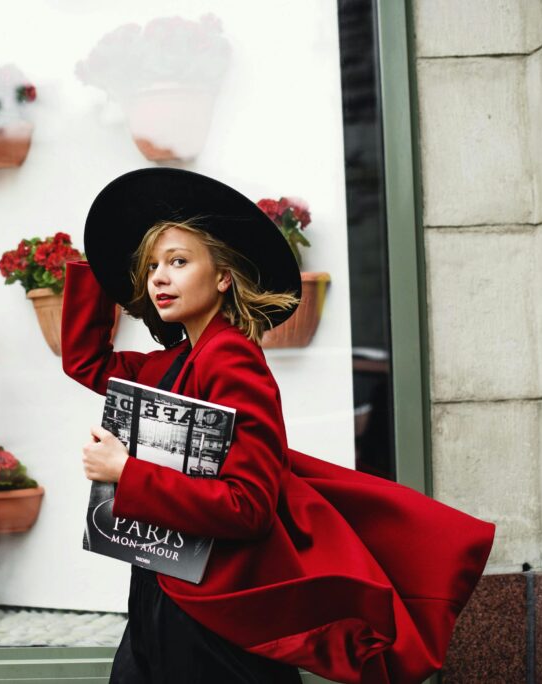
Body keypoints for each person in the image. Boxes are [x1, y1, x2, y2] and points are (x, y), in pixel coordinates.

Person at [61, 168, 495, 684]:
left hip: (211, 613)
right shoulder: (171, 363)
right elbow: (85, 361)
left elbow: (248, 507)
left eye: (178, 262)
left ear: (223, 277)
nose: (159, 276)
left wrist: (125, 473)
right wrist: (102, 261)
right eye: (152, 265)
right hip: (161, 588)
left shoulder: (232, 361)